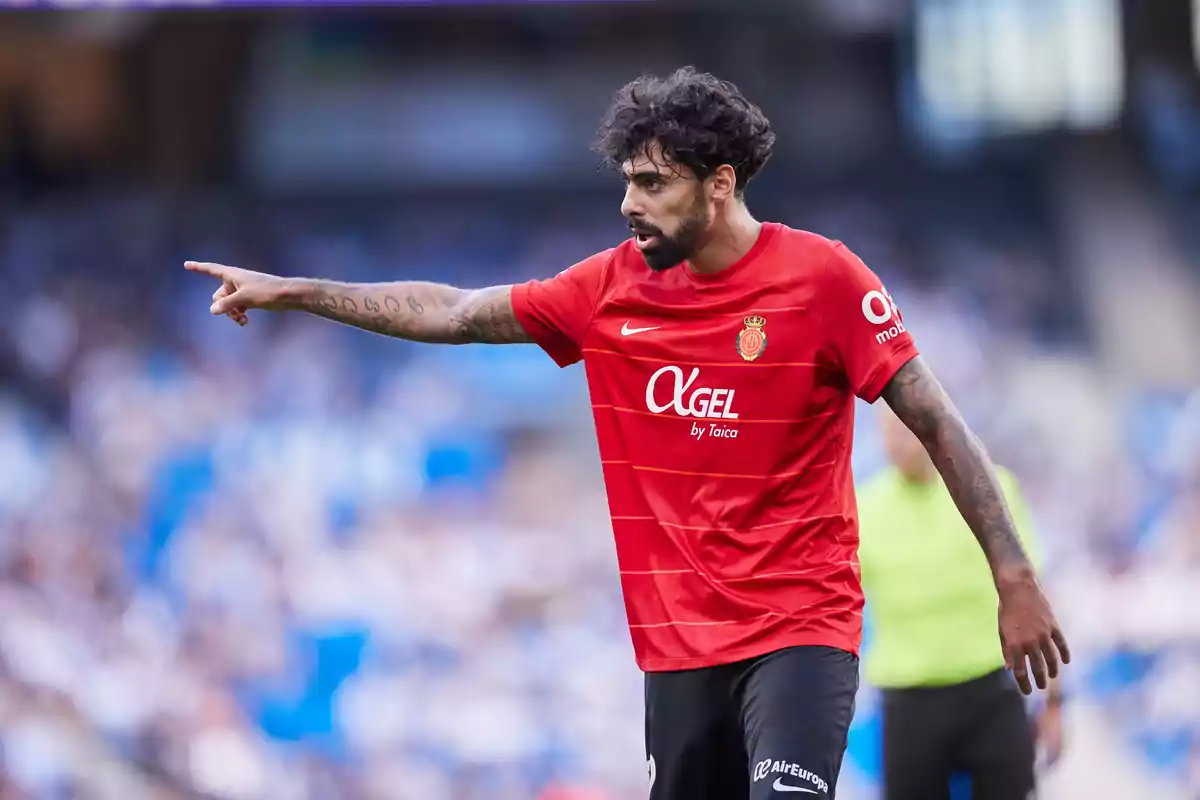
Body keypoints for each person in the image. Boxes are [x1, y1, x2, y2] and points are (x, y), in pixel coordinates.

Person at [185, 67, 1069, 800]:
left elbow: (937, 420)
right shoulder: (607, 291)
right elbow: (454, 313)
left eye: (651, 183)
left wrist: (1015, 576)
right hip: (677, 645)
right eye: (625, 181)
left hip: (802, 628)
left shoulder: (824, 280)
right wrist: (299, 290)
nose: (627, 204)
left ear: (718, 184)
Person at [858, 409, 1065, 800]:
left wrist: (1054, 699)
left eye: (906, 432)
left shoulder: (989, 488)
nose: (899, 444)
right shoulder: (864, 510)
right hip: (909, 701)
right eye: (889, 434)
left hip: (992, 689)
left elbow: (1037, 593)